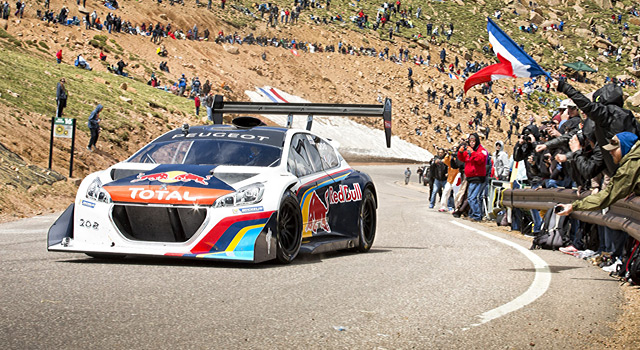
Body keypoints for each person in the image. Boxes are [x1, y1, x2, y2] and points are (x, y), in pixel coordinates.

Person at [557, 132, 639, 260]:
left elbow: (608, 195)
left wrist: (574, 206)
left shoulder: (632, 165)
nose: (610, 153)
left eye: (614, 150)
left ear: (624, 147)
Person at [457, 133, 488, 221]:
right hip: (470, 178)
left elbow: (480, 160)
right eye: (470, 141)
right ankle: (474, 214)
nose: (472, 143)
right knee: (470, 198)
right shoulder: (469, 150)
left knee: (472, 198)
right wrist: (461, 151)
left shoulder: (482, 150)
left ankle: (477, 215)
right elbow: (462, 159)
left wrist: (472, 153)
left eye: (474, 141)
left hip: (478, 177)